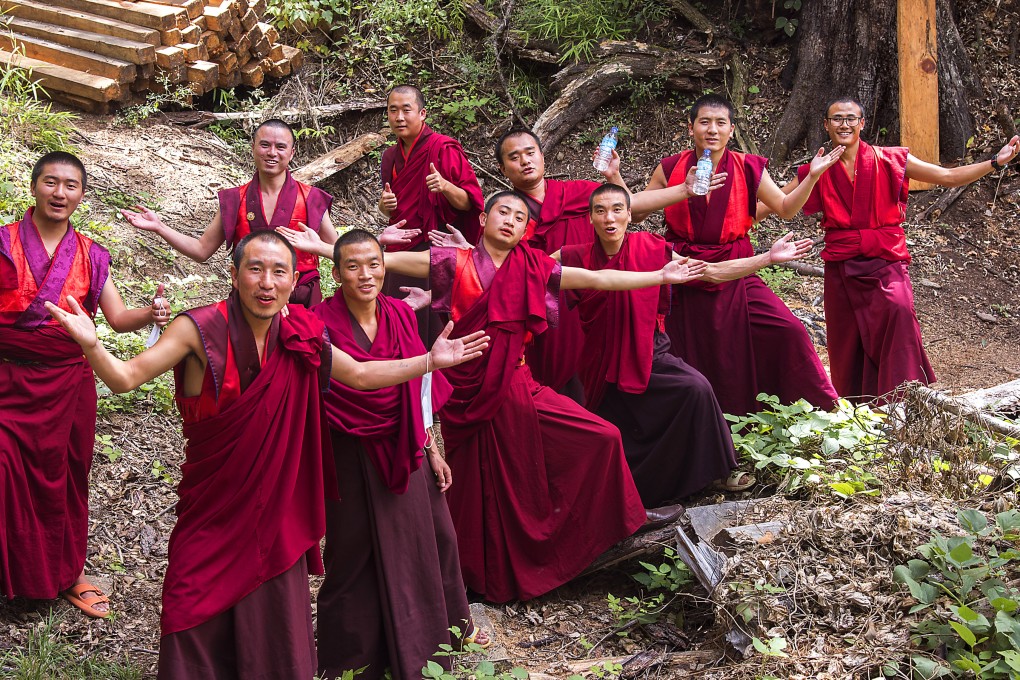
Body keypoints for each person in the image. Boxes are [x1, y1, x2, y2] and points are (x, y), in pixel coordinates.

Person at [45, 230, 488, 679]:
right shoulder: (199, 328)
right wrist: (92, 343)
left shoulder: (300, 331)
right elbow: (125, 377)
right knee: (190, 596)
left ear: (295, 279)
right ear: (234, 274)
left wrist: (428, 362)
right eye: (255, 269)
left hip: (277, 502)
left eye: (279, 272)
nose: (267, 282)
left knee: (273, 615)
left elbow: (360, 375)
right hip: (215, 502)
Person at [341, 191, 700, 603]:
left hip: (518, 382)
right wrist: (328, 246)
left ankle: (623, 517)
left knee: (602, 437)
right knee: (476, 485)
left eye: (519, 216)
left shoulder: (535, 268)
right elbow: (375, 265)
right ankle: (471, 576)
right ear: (483, 219)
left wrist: (659, 276)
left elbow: (599, 279)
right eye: (502, 213)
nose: (510, 221)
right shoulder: (451, 262)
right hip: (468, 390)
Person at [311, 229, 487, 680]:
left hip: (406, 446)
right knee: (353, 555)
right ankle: (351, 657)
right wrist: (432, 361)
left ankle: (448, 631)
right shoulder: (319, 323)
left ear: (384, 266)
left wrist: (433, 449)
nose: (366, 274)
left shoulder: (398, 315)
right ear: (336, 273)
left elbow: (419, 389)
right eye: (353, 266)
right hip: (350, 452)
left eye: (373, 263)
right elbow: (362, 378)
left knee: (437, 540)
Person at [763, 96, 1020, 403]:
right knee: (848, 342)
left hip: (885, 260)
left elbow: (947, 176)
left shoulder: (890, 159)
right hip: (842, 266)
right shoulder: (818, 169)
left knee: (899, 312)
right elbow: (778, 202)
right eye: (836, 119)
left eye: (850, 118)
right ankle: (858, 411)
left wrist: (996, 161)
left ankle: (903, 401)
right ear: (826, 125)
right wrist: (737, 218)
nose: (843, 124)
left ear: (862, 123)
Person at [0, 151, 168, 619]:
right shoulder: (2, 242)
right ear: (33, 187)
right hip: (8, 380)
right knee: (5, 469)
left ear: (82, 194)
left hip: (68, 385)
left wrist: (150, 314)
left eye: (70, 185)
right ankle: (12, 575)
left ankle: (62, 574)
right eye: (51, 182)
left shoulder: (91, 255)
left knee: (65, 479)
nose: (59, 193)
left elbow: (115, 317)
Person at [636, 93, 844, 416]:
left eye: (721, 123)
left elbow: (786, 209)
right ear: (690, 127)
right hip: (683, 273)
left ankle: (810, 413)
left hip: (738, 272)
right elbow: (633, 215)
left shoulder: (747, 168)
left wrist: (813, 175)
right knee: (675, 352)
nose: (712, 130)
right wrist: (613, 178)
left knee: (788, 329)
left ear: (731, 130)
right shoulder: (670, 168)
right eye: (704, 122)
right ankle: (696, 420)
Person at [493, 128, 724, 400]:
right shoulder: (505, 215)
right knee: (548, 380)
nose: (525, 161)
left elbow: (632, 206)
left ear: (543, 156)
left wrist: (684, 190)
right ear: (503, 168)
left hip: (590, 304)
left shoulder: (578, 193)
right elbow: (494, 262)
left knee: (593, 380)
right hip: (542, 309)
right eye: (515, 157)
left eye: (530, 153)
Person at [121, 119, 337, 306]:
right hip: (250, 301)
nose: (272, 153)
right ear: (253, 147)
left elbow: (345, 254)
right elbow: (201, 250)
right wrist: (160, 227)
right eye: (264, 145)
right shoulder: (236, 199)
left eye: (280, 147)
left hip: (301, 304)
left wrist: (318, 247)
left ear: (292, 152)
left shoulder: (310, 198)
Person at [376, 85, 484, 344]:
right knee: (398, 322)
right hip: (399, 250)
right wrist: (384, 206)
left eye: (406, 110)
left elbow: (471, 203)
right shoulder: (390, 156)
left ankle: (436, 383)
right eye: (393, 110)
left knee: (434, 327)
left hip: (435, 250)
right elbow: (391, 207)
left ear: (422, 113)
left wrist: (445, 186)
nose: (399, 117)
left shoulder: (443, 149)